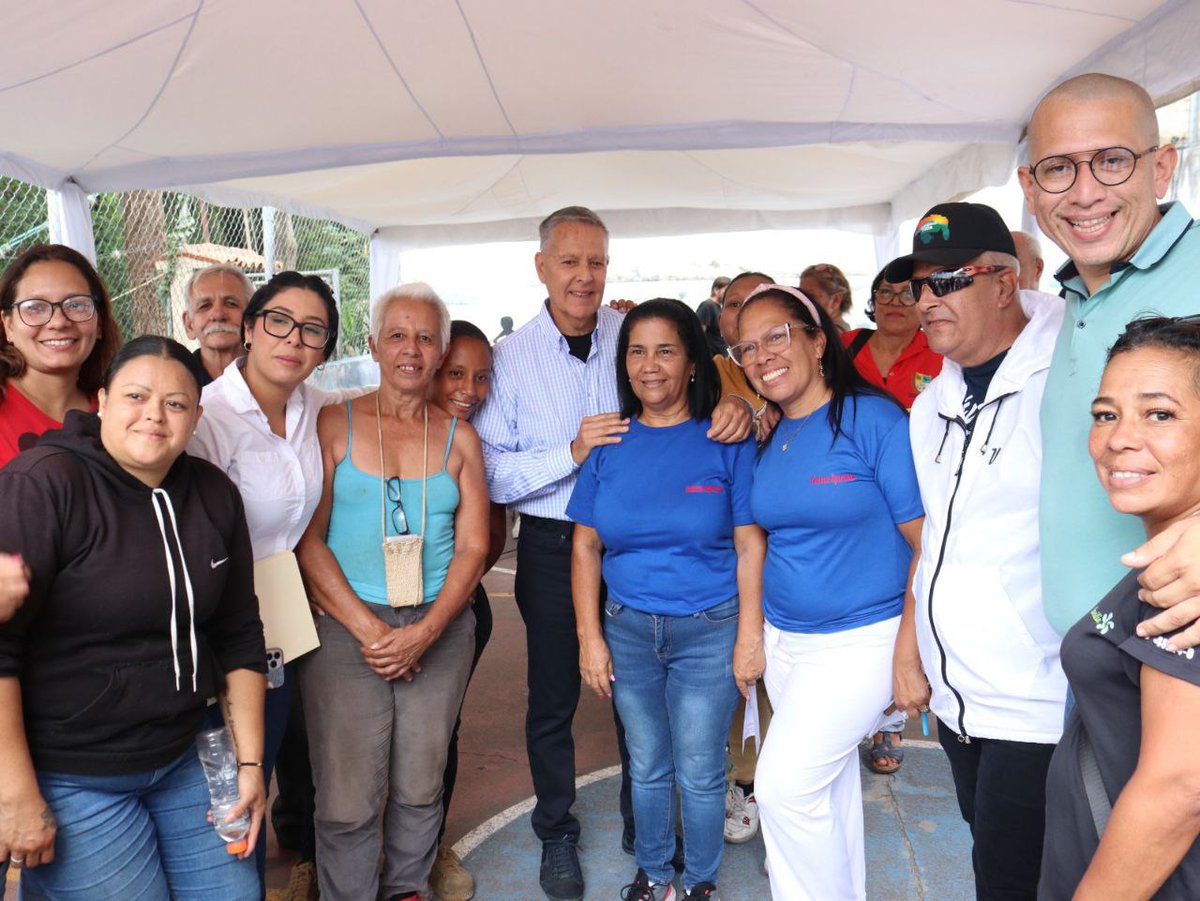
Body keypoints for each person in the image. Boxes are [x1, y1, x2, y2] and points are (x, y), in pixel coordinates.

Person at [472, 206, 751, 901]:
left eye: (596, 261)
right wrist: (569, 451)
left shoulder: (634, 331)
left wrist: (744, 407)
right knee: (557, 695)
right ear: (542, 267)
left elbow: (714, 390)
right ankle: (557, 831)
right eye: (569, 261)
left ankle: (647, 833)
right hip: (555, 540)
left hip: (652, 547)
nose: (584, 276)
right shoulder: (511, 359)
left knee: (644, 712)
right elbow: (495, 472)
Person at [0, 335, 266, 898]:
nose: (154, 415)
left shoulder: (214, 494)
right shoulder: (44, 482)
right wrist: (16, 793)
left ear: (196, 416)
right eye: (136, 396)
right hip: (75, 774)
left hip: (187, 754)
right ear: (101, 400)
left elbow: (239, 633)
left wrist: (249, 766)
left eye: (175, 404)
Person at [886, 202, 1067, 899]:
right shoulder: (931, 404)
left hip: (1039, 701)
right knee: (995, 859)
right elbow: (934, 538)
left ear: (1002, 282)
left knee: (1012, 880)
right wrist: (911, 648)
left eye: (945, 282)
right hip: (960, 703)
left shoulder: (1068, 380)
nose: (925, 302)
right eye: (917, 287)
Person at [296, 283, 489, 901]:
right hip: (346, 628)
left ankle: (407, 887)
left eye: (425, 337)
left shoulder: (459, 438)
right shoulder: (335, 424)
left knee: (420, 781)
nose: (412, 349)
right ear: (374, 345)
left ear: (439, 353)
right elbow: (310, 540)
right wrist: (374, 632)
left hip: (439, 626)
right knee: (348, 793)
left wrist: (425, 631)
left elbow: (474, 548)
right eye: (398, 335)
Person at [569, 299, 765, 901]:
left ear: (692, 364)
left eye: (665, 350)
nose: (649, 365)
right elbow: (585, 549)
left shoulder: (726, 438)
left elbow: (749, 544)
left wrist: (748, 637)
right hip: (627, 630)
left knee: (702, 772)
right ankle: (655, 876)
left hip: (710, 629)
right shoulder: (609, 442)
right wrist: (590, 640)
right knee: (649, 767)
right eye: (636, 351)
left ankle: (701, 882)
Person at [732, 284, 923, 900]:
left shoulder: (875, 418)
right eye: (746, 347)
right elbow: (761, 541)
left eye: (777, 337)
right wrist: (755, 638)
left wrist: (908, 650)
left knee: (785, 787)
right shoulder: (772, 433)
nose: (762, 355)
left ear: (818, 341)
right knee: (828, 793)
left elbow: (930, 542)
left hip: (862, 641)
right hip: (789, 645)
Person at [1018, 73, 1200, 647]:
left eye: (1112, 161)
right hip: (1093, 663)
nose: (1085, 193)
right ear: (1029, 186)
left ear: (1162, 168)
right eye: (1058, 168)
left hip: (1174, 661)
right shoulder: (1073, 296)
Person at [188, 270, 342, 900]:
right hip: (220, 628)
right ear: (250, 328)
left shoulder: (314, 407)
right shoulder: (208, 417)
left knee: (265, 768)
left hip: (282, 620)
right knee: (226, 790)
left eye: (313, 331)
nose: (293, 340)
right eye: (279, 321)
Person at [1040, 316, 1200, 899]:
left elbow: (1178, 789)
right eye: (1106, 414)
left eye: (1159, 414)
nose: (1119, 438)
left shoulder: (1184, 586)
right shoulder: (1175, 554)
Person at [426, 319, 508, 901]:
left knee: (439, 732)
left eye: (482, 377)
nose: (469, 389)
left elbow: (489, 541)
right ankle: (313, 852)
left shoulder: (481, 438)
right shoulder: (373, 427)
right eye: (456, 373)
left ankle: (428, 847)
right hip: (371, 610)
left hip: (457, 608)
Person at [0, 243, 122, 467]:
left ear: (99, 324)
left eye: (76, 304)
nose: (58, 322)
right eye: (35, 307)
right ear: (8, 326)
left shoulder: (123, 411)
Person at [841, 266, 942, 412]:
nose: (895, 302)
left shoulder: (941, 352)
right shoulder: (844, 345)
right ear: (873, 302)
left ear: (923, 303)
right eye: (886, 292)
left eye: (908, 293)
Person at [182, 264, 254, 388]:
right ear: (189, 325)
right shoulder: (177, 381)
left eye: (231, 304)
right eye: (205, 306)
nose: (218, 315)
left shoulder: (274, 376)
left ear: (251, 318)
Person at [799, 262, 853, 332]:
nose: (803, 302)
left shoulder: (833, 335)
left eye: (811, 296)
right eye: (801, 295)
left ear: (836, 299)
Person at [697, 276, 731, 357]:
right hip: (712, 359)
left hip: (722, 357)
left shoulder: (720, 307)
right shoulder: (707, 306)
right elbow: (698, 333)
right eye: (726, 291)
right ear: (716, 290)